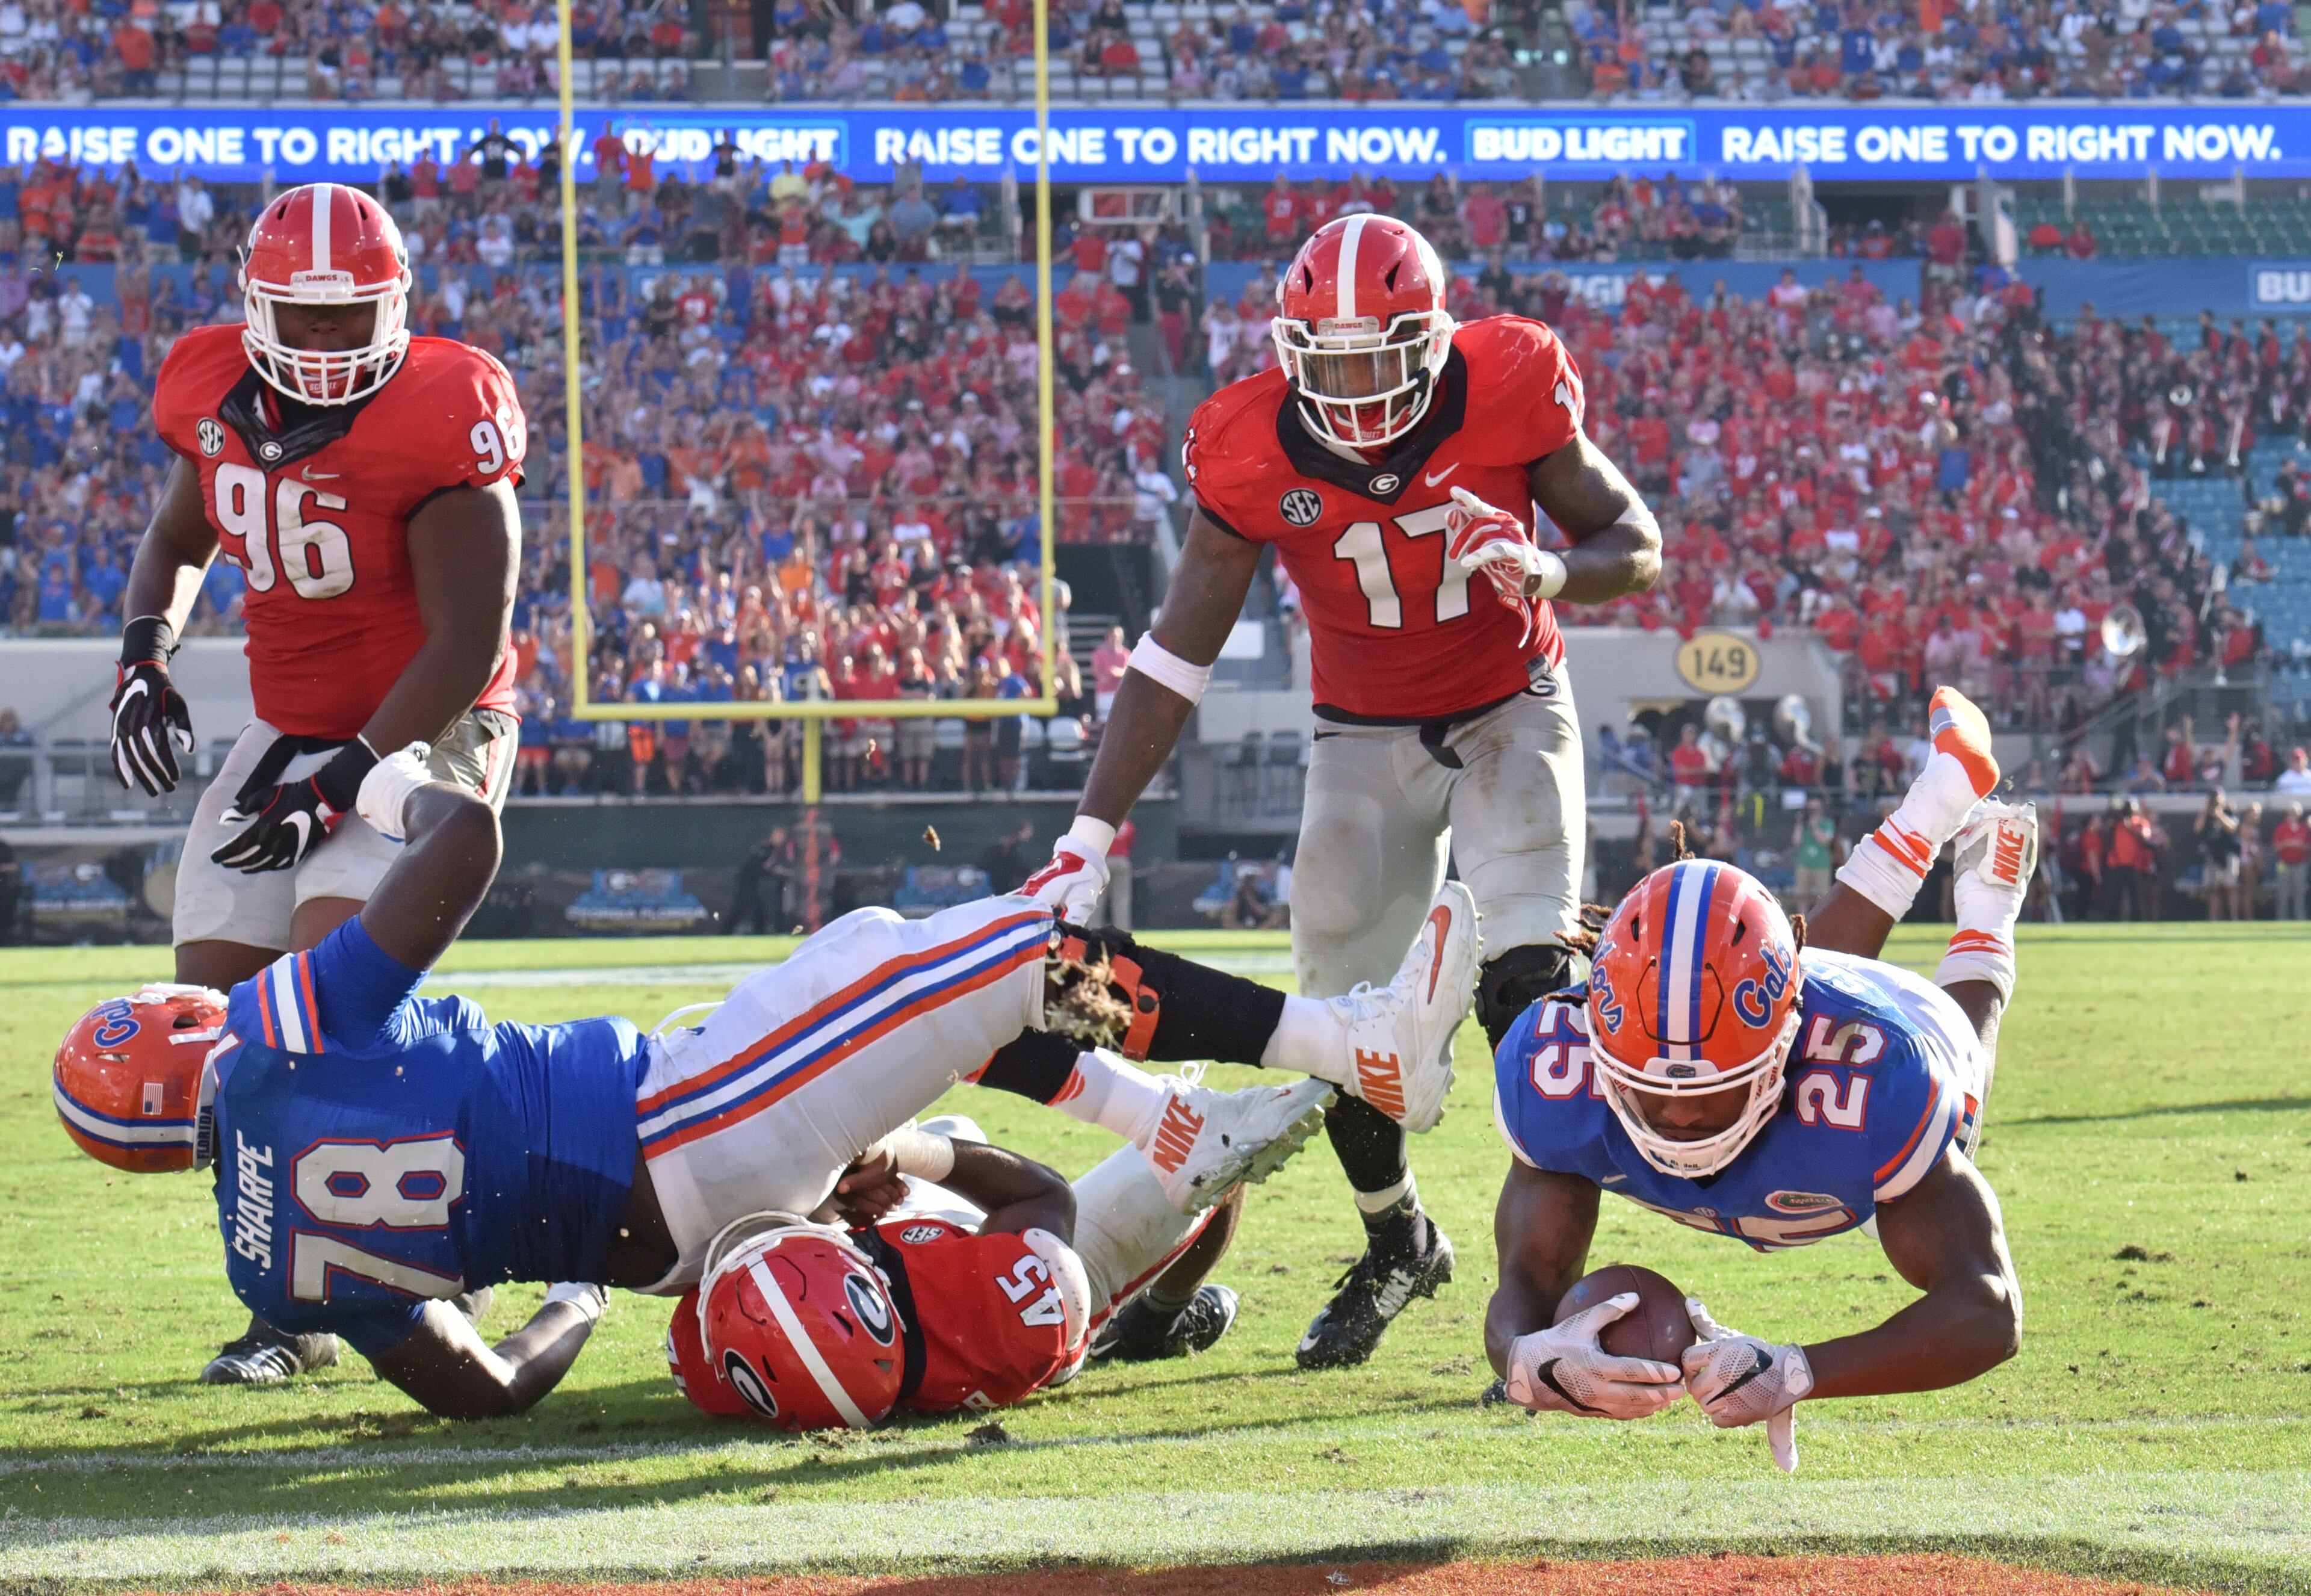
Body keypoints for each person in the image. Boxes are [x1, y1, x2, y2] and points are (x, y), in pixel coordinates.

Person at [54, 752, 1480, 1419]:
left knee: (874, 952)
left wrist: (576, 1293)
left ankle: (1156, 1116)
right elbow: (466, 841)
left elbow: (480, 1391)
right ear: (187, 1034)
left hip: (681, 1233)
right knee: (992, 956)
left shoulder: (273, 1263)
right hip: (683, 1119)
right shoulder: (282, 1032)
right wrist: (378, 790)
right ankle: (1347, 1042)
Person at [1024, 213, 1662, 1371]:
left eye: (1384, 359)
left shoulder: (1510, 376)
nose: (1360, 393)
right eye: (1335, 363)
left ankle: (1539, 1304)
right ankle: (1396, 1238)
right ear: (1289, 353)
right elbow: (1174, 659)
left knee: (1531, 996)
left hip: (1511, 703)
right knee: (1343, 1027)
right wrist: (1089, 829)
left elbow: (1636, 538)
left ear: (1435, 340)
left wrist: (1550, 567)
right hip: (1358, 736)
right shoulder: (1250, 444)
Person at [107, 182, 524, 1388]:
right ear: (256, 308)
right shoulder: (210, 389)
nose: (334, 342)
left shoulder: (446, 405)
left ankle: (423, 1253)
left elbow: (465, 638)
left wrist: (347, 779)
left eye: (357, 320)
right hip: (292, 729)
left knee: (328, 1006)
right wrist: (145, 652)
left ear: (398, 309)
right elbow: (179, 540)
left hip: (428, 733)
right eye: (309, 319)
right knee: (224, 1034)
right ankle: (290, 1297)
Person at [1486, 690, 2026, 1467]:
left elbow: (1988, 1309)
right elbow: (1522, 1284)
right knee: (1745, 993)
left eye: (1710, 1094)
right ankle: (1936, 799)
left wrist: (1802, 1372)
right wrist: (1523, 1360)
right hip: (1779, 1010)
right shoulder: (1555, 1067)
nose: (1675, 1118)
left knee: (1962, 1078)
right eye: (1651, 1088)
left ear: (1787, 1052)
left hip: (1891, 1019)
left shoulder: (1873, 1079)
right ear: (1599, 1048)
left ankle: (1987, 909)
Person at [664, 1106, 1269, 1429]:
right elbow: (1044, 1198)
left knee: (949, 1125)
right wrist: (906, 1154)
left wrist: (832, 1200)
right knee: (1213, 1149)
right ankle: (1154, 1323)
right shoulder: (1001, 1321)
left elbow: (790, 1322)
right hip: (982, 1286)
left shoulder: (708, 1348)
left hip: (915, 1282)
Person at [726, 826, 788, 935]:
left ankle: (757, 932)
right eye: (778, 835)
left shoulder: (776, 850)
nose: (780, 838)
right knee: (748, 908)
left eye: (782, 836)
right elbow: (756, 866)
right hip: (745, 882)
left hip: (753, 883)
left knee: (747, 909)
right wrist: (775, 871)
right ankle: (726, 932)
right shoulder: (765, 848)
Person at [2194, 788, 2242, 921]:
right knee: (2213, 889)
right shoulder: (2206, 815)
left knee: (2230, 887)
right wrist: (2205, 811)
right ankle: (2214, 919)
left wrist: (2220, 814)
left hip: (2228, 853)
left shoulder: (2229, 811)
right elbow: (2197, 829)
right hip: (2213, 855)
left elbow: (2232, 828)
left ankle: (2234, 918)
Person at [1790, 796, 1842, 907]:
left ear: (1821, 809)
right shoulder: (1803, 825)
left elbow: (1825, 841)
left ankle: (1820, 922)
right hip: (1804, 864)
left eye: (1815, 809)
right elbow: (1796, 842)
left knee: (1823, 896)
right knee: (1801, 896)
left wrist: (1814, 826)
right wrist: (1799, 823)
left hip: (1821, 865)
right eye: (1810, 809)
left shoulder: (1828, 824)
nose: (1813, 812)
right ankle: (1801, 922)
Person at [2273, 802, 2310, 920]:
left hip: (2300, 864)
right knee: (2283, 893)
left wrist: (2298, 845)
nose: (2292, 816)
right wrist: (2288, 844)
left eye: (2294, 813)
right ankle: (2282, 919)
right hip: (2284, 863)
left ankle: (2300, 918)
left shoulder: (2304, 830)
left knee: (2300, 893)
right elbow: (2276, 846)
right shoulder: (2281, 829)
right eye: (2290, 813)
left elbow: (2308, 846)